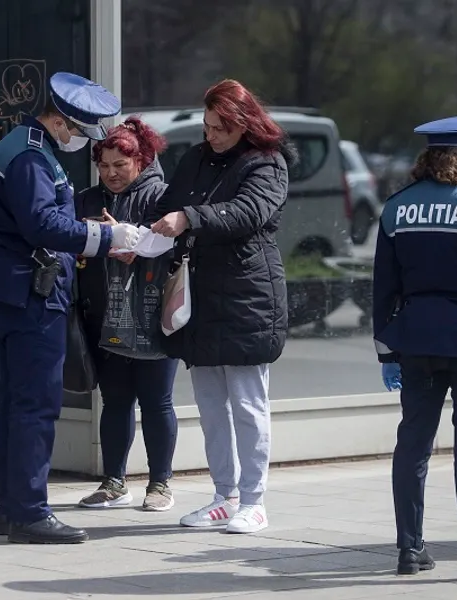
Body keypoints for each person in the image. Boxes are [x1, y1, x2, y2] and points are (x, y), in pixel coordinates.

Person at [0, 72, 140, 544]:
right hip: (30, 292)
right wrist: (109, 236)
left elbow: (44, 219)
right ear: (62, 121)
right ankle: (28, 512)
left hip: (16, 289)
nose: (82, 141)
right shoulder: (29, 156)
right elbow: (42, 225)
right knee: (35, 406)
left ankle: (13, 509)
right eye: (81, 132)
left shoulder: (26, 147)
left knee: (17, 404)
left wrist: (86, 229)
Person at [149, 79, 295, 533]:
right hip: (201, 295)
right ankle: (224, 494)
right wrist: (141, 234)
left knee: (248, 404)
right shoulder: (195, 159)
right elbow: (169, 205)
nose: (211, 135)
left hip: (248, 297)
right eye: (208, 126)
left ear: (243, 123)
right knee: (211, 405)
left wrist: (188, 218)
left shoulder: (267, 163)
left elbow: (248, 212)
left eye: (220, 128)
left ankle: (254, 500)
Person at [373, 115, 457, 581]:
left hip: (415, 340)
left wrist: (386, 351)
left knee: (413, 444)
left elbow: (384, 288)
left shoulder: (396, 208)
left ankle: (410, 549)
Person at [74, 117, 179, 512]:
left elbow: (176, 246)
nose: (111, 174)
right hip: (103, 313)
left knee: (156, 401)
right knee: (115, 399)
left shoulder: (163, 197)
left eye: (121, 165)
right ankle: (113, 481)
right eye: (104, 166)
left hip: (153, 315)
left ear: (141, 160)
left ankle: (160, 483)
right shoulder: (86, 199)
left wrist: (131, 237)